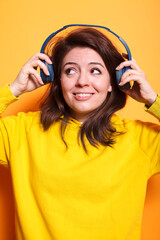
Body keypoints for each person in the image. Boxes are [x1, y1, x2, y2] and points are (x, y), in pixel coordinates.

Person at [0, 27, 159, 240]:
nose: (82, 81)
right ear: (56, 81)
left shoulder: (142, 140)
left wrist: (152, 99)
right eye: (70, 71)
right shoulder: (21, 132)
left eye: (95, 71)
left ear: (115, 81)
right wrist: (14, 89)